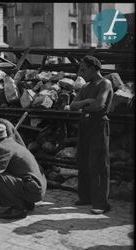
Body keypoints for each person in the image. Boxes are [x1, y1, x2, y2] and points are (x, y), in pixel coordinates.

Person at [64, 55, 113, 214]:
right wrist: (86, 102)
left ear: (93, 68)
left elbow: (99, 105)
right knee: (83, 161)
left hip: (98, 124)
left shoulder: (105, 83)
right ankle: (85, 197)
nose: (80, 73)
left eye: (83, 69)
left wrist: (86, 105)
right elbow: (72, 106)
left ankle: (101, 203)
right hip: (85, 125)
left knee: (98, 163)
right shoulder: (85, 87)